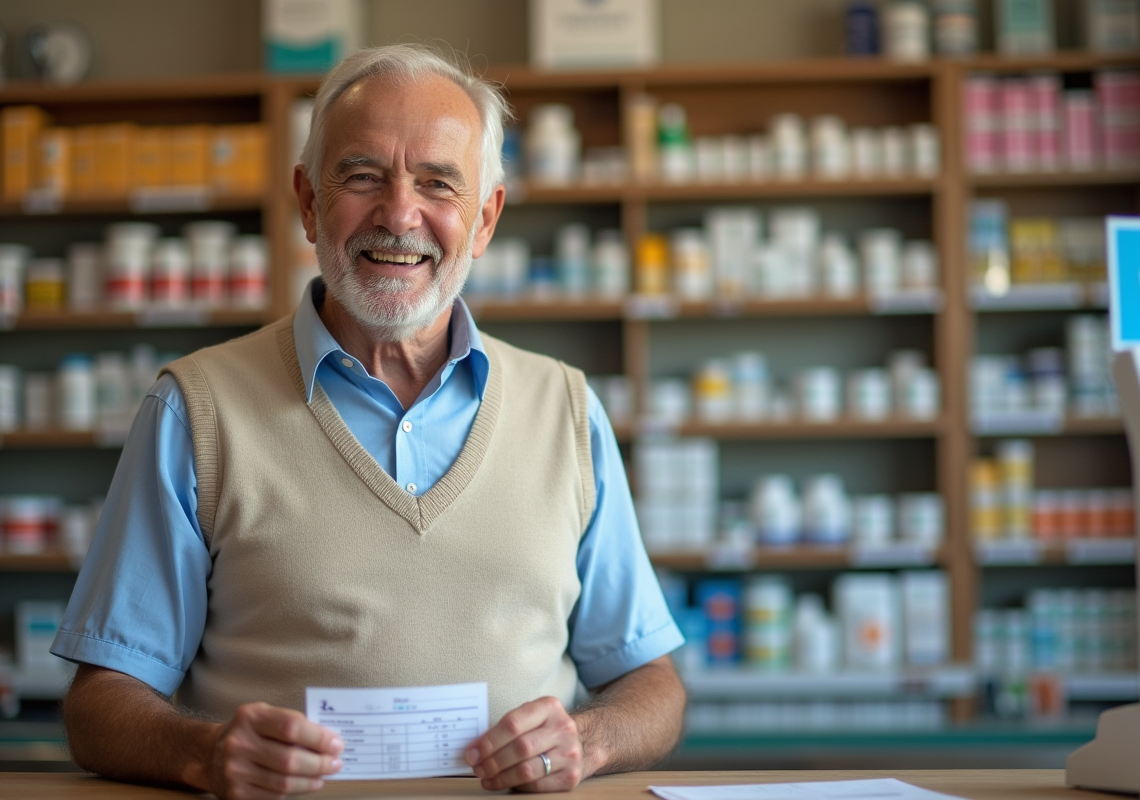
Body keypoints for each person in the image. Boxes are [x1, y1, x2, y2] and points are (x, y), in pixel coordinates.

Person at [51, 44, 686, 799]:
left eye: (438, 183)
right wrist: (204, 751)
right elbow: (98, 706)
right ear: (309, 201)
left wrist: (590, 737)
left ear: (484, 219)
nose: (399, 215)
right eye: (362, 176)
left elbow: (652, 684)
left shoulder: (566, 410)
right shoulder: (196, 410)